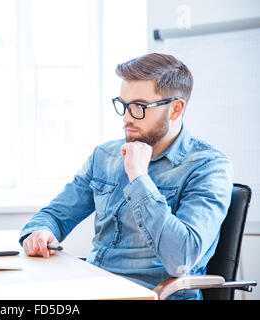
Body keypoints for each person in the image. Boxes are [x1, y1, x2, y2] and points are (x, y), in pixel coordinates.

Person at [18, 53, 233, 300]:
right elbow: (55, 215)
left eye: (139, 107)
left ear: (175, 109)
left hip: (153, 295)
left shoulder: (209, 166)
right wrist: (40, 232)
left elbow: (181, 259)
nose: (127, 117)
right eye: (123, 105)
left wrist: (139, 178)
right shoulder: (105, 156)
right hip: (94, 289)